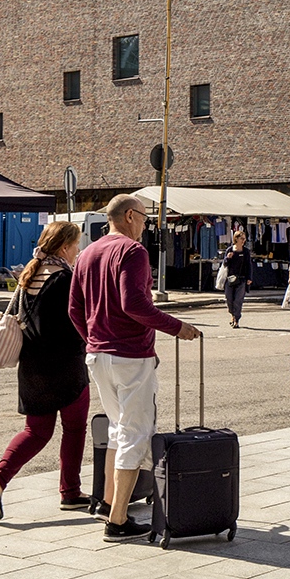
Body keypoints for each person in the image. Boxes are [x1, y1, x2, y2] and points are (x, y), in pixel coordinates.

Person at [68, 194, 200, 541]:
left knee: (117, 428)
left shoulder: (87, 253)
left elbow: (74, 309)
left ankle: (108, 501)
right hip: (130, 356)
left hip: (98, 356)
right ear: (129, 216)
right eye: (144, 217)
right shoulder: (133, 251)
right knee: (135, 434)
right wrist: (177, 327)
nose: (146, 224)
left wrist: (93, 338)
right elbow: (134, 304)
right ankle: (118, 519)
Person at [0, 220, 90, 520]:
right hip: (64, 368)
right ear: (65, 247)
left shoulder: (32, 273)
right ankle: (70, 492)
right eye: (76, 245)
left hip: (32, 367)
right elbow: (71, 324)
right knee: (75, 428)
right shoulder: (64, 278)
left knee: (36, 432)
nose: (78, 251)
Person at [221, 227, 253, 328]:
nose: (243, 241)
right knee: (229, 299)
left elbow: (249, 265)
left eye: (244, 239)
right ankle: (232, 314)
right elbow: (225, 264)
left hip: (242, 279)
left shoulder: (246, 251)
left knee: (238, 300)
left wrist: (249, 278)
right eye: (241, 238)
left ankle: (236, 319)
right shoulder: (230, 250)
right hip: (230, 279)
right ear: (236, 239)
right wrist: (227, 258)